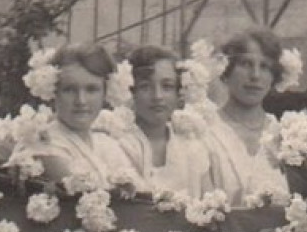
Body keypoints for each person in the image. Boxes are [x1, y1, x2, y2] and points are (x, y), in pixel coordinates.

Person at [9, 42, 141, 187]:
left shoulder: (107, 144)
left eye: (91, 90)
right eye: (70, 89)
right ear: (54, 91)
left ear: (105, 92)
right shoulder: (43, 144)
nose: (81, 100)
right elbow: (83, 193)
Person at [114, 44, 219, 198]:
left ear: (179, 92)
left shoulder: (192, 146)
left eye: (167, 86)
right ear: (132, 92)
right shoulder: (118, 143)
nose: (157, 96)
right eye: (145, 87)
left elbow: (210, 205)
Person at [205, 28, 291, 202]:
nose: (255, 76)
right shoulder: (205, 131)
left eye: (265, 67)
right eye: (246, 64)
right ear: (226, 71)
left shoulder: (287, 136)